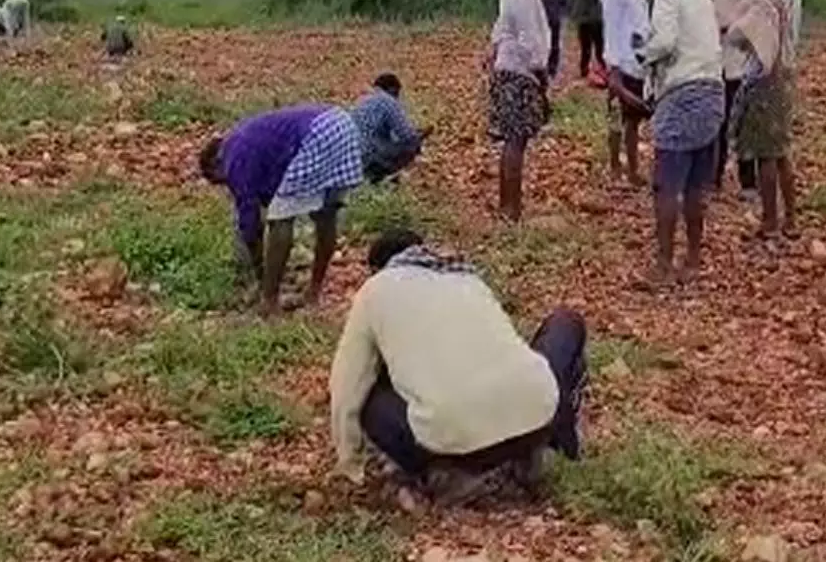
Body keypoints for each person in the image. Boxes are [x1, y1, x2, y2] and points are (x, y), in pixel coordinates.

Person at [329, 228, 586, 500]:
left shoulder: (375, 290)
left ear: (377, 269)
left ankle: (446, 473)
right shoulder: (468, 278)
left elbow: (346, 384)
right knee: (565, 323)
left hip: (455, 445)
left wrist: (350, 464)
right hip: (537, 419)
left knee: (368, 394)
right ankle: (553, 447)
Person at [198, 103, 363, 317]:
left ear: (214, 165)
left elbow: (250, 220)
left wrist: (258, 265)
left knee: (281, 220)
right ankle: (313, 293)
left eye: (220, 181)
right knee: (326, 213)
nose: (228, 185)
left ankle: (269, 302)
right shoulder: (248, 139)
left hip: (317, 132)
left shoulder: (232, 158)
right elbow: (275, 181)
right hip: (342, 123)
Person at [642, 0, 725, 285]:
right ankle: (692, 258)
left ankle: (663, 265)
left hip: (682, 94)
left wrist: (643, 56)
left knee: (666, 186)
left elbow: (664, 42)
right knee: (695, 187)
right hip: (713, 93)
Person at [726, 0, 800, 243]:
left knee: (765, 155)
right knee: (782, 151)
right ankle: (791, 218)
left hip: (765, 78)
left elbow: (738, 34)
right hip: (785, 74)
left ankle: (770, 221)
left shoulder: (768, 0)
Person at [486, 0, 554, 223]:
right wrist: (542, 76)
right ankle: (510, 209)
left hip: (512, 69)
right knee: (516, 141)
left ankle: (509, 206)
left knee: (514, 141)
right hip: (520, 72)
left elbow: (500, 29)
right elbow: (530, 42)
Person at [702, 0, 760, 200]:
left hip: (744, 69)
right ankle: (712, 179)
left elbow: (754, 27)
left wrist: (732, 30)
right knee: (717, 126)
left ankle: (748, 184)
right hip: (716, 67)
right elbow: (705, 23)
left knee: (745, 128)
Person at [600, 0, 651, 186]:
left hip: (639, 62)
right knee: (616, 118)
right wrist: (613, 67)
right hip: (620, 62)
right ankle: (614, 166)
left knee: (633, 120)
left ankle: (632, 168)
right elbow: (611, 29)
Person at [352, 73, 431, 184]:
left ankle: (373, 176)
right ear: (393, 90)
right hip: (371, 156)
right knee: (411, 144)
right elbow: (406, 135)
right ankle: (385, 175)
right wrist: (421, 135)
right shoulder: (388, 101)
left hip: (352, 158)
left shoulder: (362, 100)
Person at [569, 0, 604, 81]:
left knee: (586, 48)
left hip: (586, 22)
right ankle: (603, 68)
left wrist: (575, 18)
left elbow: (578, 7)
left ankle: (585, 70)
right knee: (599, 47)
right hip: (598, 20)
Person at [541, 0, 569, 79]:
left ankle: (546, 66)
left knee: (546, 43)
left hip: (545, 18)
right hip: (554, 18)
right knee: (554, 44)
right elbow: (564, 2)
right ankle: (552, 68)